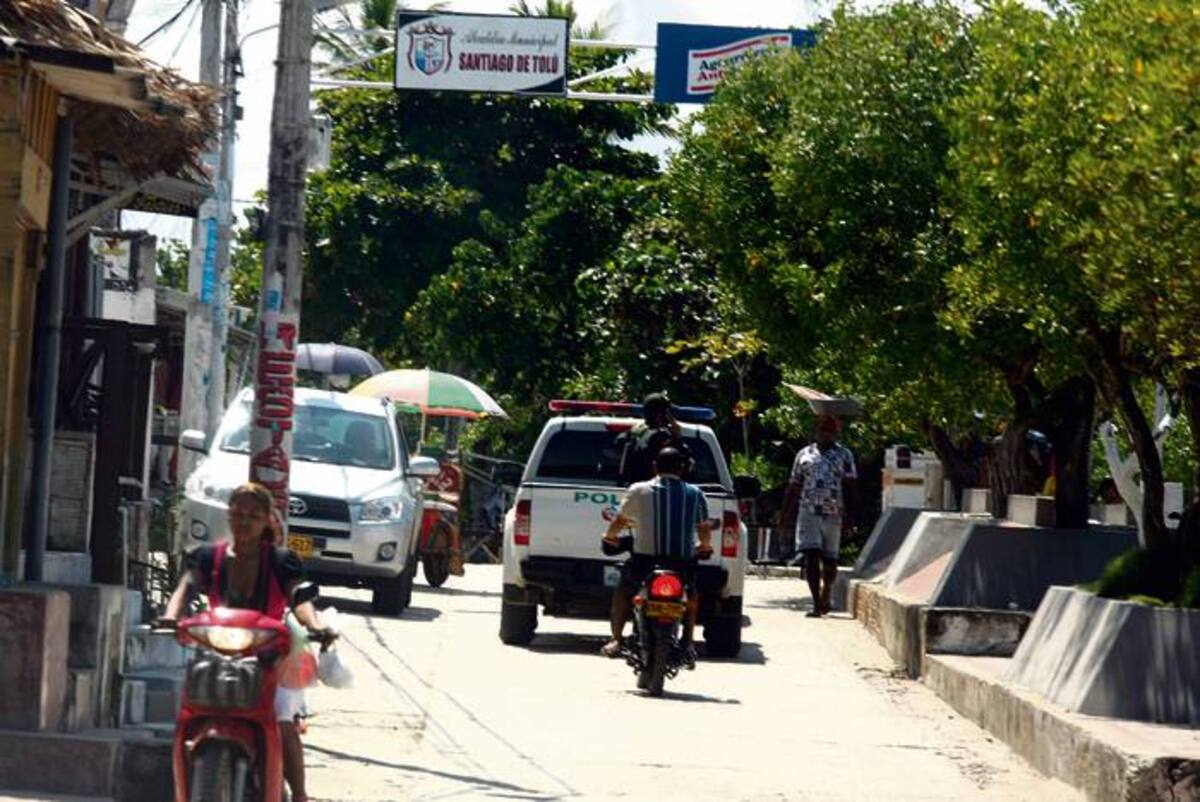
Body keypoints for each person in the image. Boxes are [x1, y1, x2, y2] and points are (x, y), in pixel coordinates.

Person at [159, 482, 331, 802]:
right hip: (215, 652)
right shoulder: (207, 557)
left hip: (271, 655)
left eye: (253, 514)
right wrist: (171, 616)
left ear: (267, 519)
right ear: (229, 515)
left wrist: (315, 624)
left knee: (281, 717)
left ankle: (300, 794)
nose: (244, 521)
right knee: (187, 711)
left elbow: (299, 597)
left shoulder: (282, 560)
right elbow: (185, 588)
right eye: (238, 513)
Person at [600, 447, 714, 660]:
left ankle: (616, 639)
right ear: (682, 469)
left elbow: (620, 521)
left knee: (624, 591)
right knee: (690, 597)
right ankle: (688, 643)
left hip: (645, 562)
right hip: (681, 562)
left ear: (654, 466)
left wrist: (610, 537)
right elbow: (704, 528)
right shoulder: (695, 494)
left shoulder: (639, 490)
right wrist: (704, 546)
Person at [778, 414, 858, 618]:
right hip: (808, 511)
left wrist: (851, 517)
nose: (825, 433)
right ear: (816, 430)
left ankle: (826, 590)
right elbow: (794, 485)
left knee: (830, 560)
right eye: (822, 428)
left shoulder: (844, 455)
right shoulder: (804, 454)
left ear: (835, 432)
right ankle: (816, 603)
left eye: (829, 429)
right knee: (810, 556)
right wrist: (784, 515)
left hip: (834, 512)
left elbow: (850, 487)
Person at [618, 392, 690, 484]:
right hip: (659, 491)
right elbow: (687, 463)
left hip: (634, 488)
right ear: (661, 415)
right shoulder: (662, 437)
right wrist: (677, 437)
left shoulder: (633, 433)